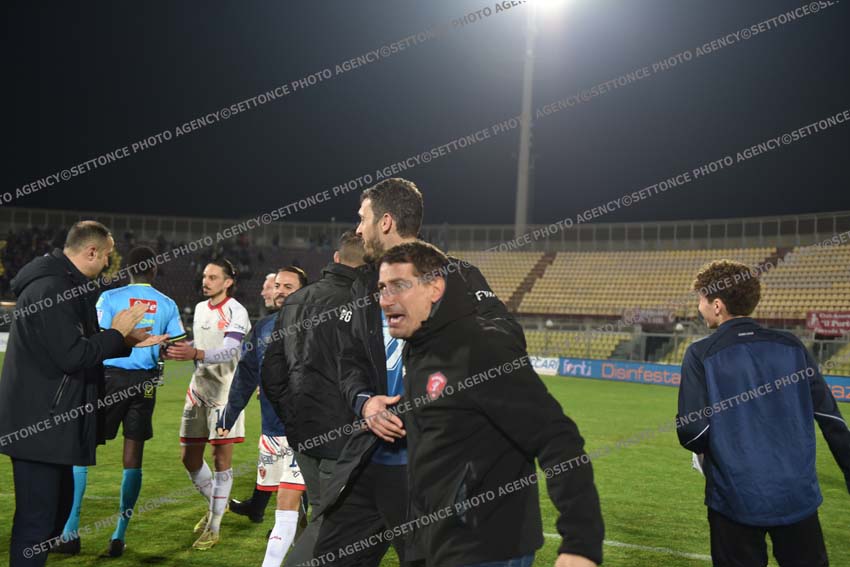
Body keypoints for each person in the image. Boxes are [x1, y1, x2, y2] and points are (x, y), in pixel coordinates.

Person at [313, 178, 524, 567]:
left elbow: (507, 340)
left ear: (386, 222)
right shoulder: (364, 286)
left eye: (363, 219)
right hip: (368, 461)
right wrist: (365, 403)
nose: (358, 229)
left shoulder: (456, 275)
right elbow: (350, 360)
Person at [376, 241, 604, 567]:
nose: (386, 300)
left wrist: (581, 543)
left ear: (435, 288)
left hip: (490, 548)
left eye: (399, 286)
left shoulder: (482, 347)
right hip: (442, 546)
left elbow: (557, 438)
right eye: (382, 288)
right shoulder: (419, 349)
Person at [0, 221, 164, 567]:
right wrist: (115, 334)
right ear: (91, 252)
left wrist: (122, 340)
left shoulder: (65, 286)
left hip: (51, 422)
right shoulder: (51, 289)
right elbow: (72, 355)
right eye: (106, 256)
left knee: (52, 519)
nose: (107, 263)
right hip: (40, 424)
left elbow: (76, 344)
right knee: (36, 524)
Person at [676, 260, 850, 567]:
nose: (699, 307)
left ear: (717, 305)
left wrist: (703, 453)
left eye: (701, 299)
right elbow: (832, 420)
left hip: (734, 497)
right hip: (797, 495)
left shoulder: (700, 353)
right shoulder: (792, 346)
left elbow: (693, 431)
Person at [54, 246, 186, 557]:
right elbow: (176, 343)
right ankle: (118, 536)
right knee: (133, 456)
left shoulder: (110, 297)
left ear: (127, 269)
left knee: (83, 448)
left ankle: (70, 533)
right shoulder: (167, 303)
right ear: (153, 270)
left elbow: (96, 335)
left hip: (110, 378)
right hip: (146, 383)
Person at [261, 231, 366, 567]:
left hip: (302, 430)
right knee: (331, 519)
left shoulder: (296, 300)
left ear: (335, 258)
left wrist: (291, 413)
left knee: (324, 513)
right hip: (342, 432)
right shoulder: (364, 302)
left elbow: (271, 370)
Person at [216, 267, 309, 567]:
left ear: (304, 291)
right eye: (277, 285)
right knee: (292, 504)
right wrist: (228, 416)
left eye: (288, 286)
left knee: (292, 501)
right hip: (272, 430)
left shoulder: (317, 325)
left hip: (307, 431)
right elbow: (245, 375)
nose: (280, 290)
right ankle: (301, 546)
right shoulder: (263, 328)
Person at [165, 258, 251, 550]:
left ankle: (213, 527)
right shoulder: (201, 308)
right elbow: (201, 344)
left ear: (228, 282)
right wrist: (179, 348)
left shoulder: (237, 311)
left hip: (225, 395)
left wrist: (196, 353)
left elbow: (229, 350)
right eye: (204, 276)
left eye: (213, 277)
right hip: (198, 390)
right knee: (189, 458)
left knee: (220, 460)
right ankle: (219, 503)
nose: (206, 281)